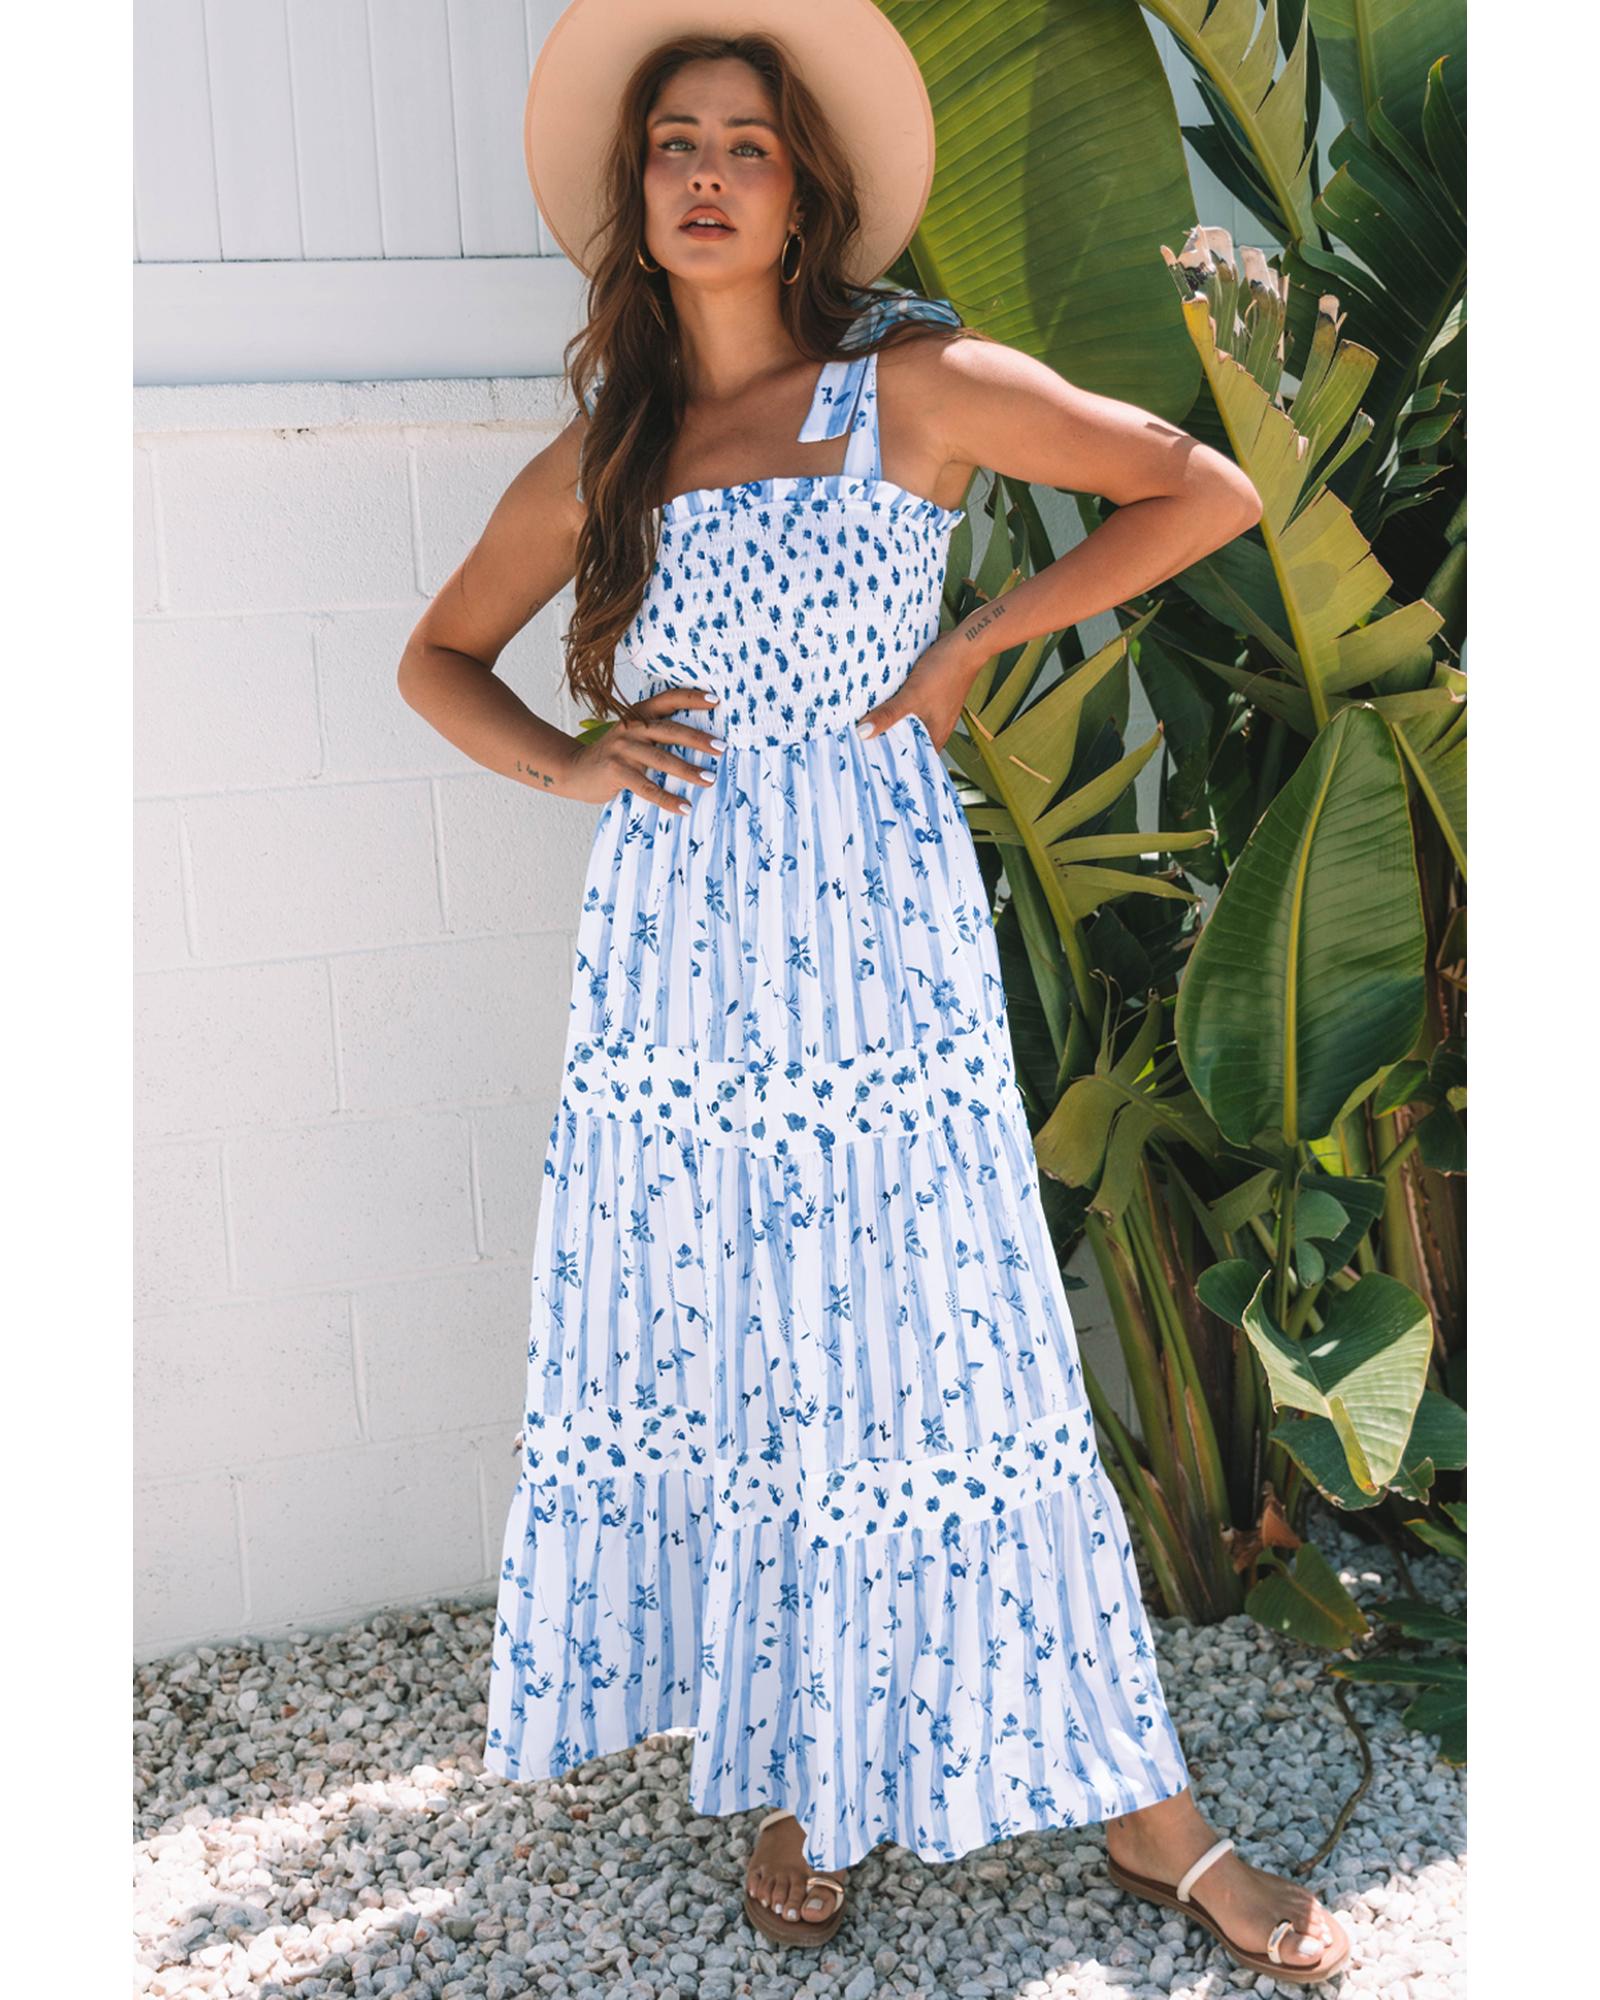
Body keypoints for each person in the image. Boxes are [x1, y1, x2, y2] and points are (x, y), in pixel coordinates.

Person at [396, 0, 1349, 1985]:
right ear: (637, 192)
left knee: (960, 1353)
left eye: (743, 143)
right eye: (674, 144)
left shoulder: (909, 385)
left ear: (800, 189)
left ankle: (1148, 1814)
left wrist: (977, 640)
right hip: (677, 976)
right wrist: (570, 766)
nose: (707, 175)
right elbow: (437, 658)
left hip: (877, 958)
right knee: (750, 1350)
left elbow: (1199, 489)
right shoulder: (614, 451)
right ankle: (792, 1769)